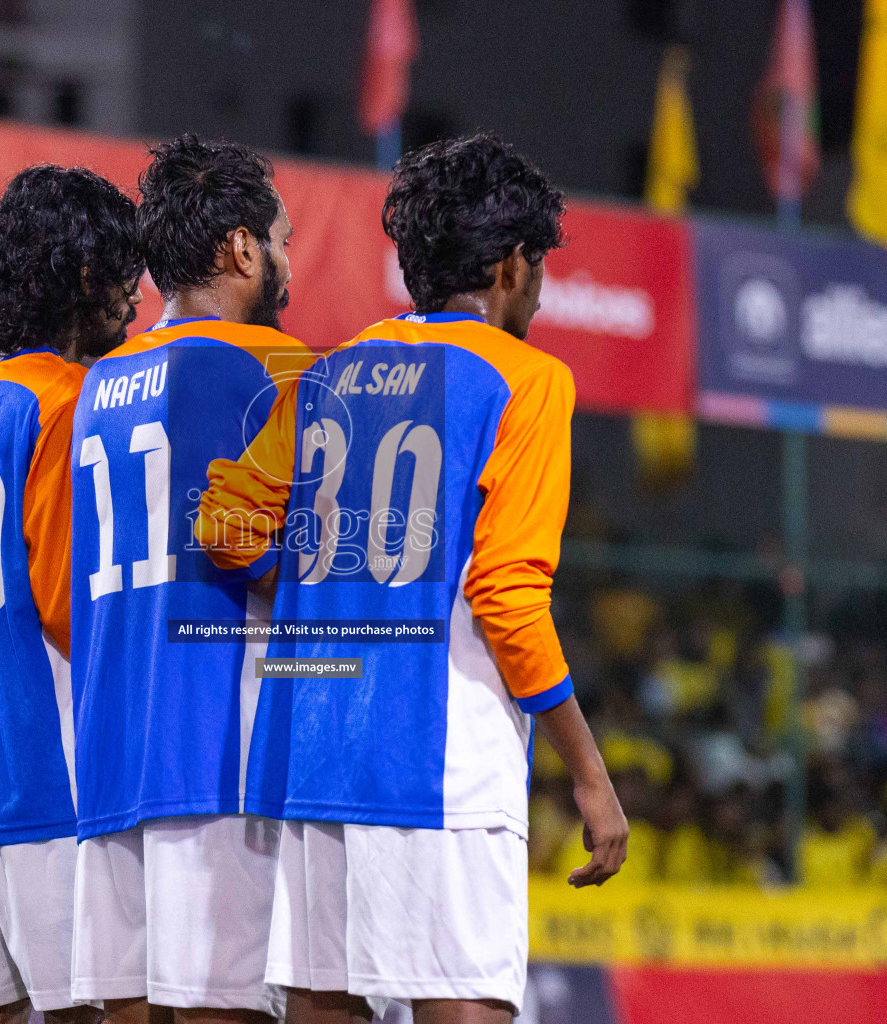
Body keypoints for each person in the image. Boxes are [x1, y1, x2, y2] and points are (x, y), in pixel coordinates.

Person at [196, 133, 627, 1024]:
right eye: (538, 267)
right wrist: (588, 771)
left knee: (324, 1002)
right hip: (439, 761)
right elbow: (507, 593)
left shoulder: (329, 373)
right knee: (461, 1004)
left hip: (310, 747)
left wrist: (316, 579)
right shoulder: (530, 381)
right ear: (513, 265)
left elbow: (223, 527)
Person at [70, 135, 307, 1024]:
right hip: (217, 755)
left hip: (111, 756)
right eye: (281, 242)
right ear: (243, 249)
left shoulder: (99, 384)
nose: (288, 264)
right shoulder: (274, 369)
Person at [0, 163, 142, 1024]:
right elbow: (67, 607)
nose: (134, 301)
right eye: (124, 276)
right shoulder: (74, 400)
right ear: (84, 277)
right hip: (53, 779)